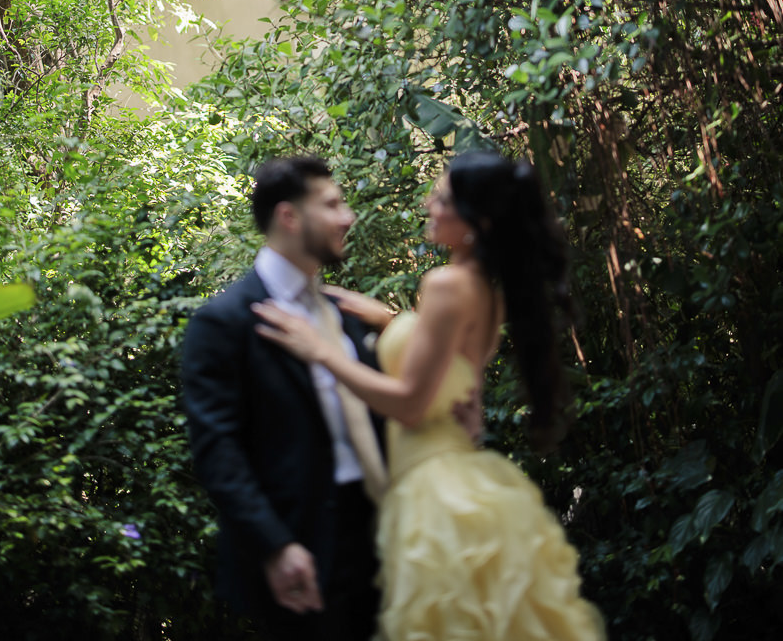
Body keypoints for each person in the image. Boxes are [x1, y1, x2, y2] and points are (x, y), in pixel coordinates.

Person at [253, 150, 607, 641]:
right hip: (461, 470)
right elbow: (449, 369)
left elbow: (409, 403)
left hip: (432, 490)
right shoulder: (486, 291)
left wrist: (321, 352)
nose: (428, 204)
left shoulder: (444, 285)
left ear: (477, 221)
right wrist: (390, 320)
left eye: (442, 199)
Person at [181, 154, 390, 641]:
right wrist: (275, 546)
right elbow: (217, 450)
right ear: (289, 217)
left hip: (378, 534)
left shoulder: (344, 311)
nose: (348, 217)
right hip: (301, 549)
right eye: (332, 205)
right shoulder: (223, 322)